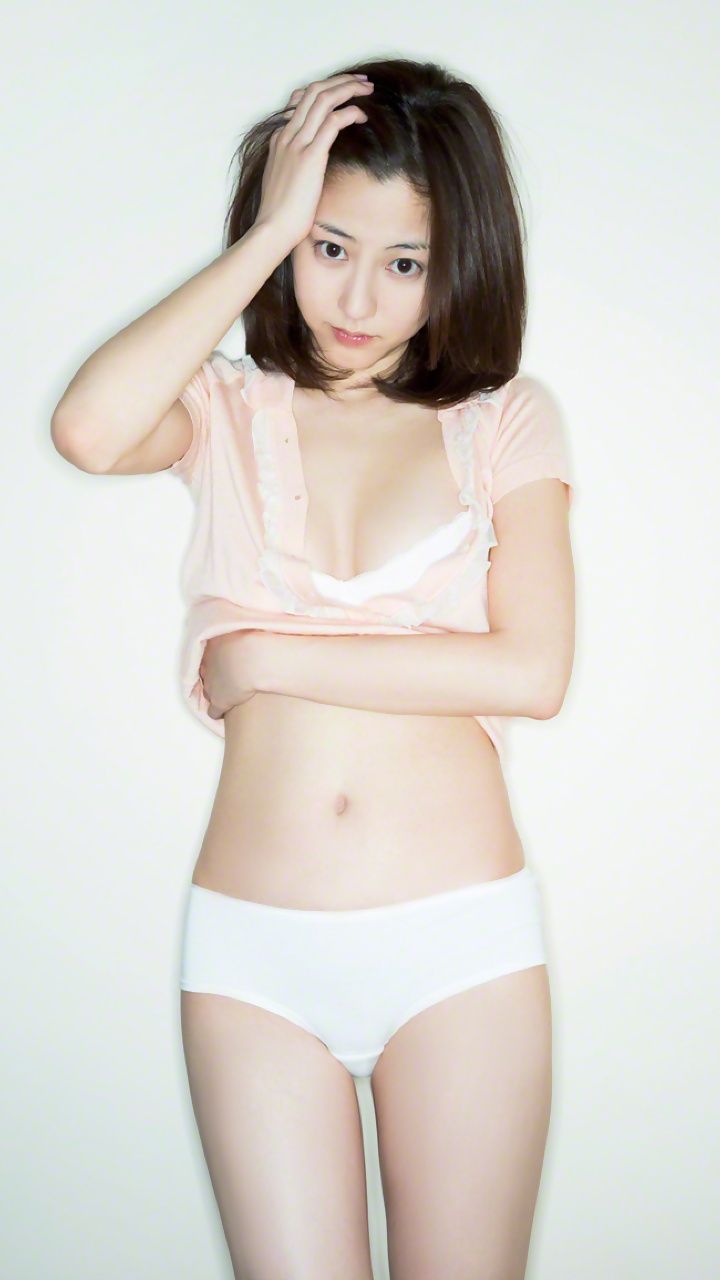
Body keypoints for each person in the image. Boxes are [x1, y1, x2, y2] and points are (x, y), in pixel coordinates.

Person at [52, 57, 576, 1280]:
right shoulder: (224, 410)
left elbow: (532, 670)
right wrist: (266, 233)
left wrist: (267, 655)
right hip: (254, 956)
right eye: (330, 246)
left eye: (406, 261)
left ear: (458, 263)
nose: (358, 294)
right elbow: (86, 429)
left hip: (459, 945)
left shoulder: (503, 418)